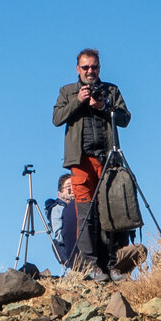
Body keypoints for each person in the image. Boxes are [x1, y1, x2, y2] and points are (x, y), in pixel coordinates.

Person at [53, 49, 132, 272]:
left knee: (108, 212)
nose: (90, 71)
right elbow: (57, 119)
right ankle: (89, 264)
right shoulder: (67, 91)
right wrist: (78, 101)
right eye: (86, 67)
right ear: (77, 69)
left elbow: (125, 119)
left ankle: (110, 264)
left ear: (99, 68)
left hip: (108, 160)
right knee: (85, 212)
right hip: (80, 160)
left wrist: (105, 106)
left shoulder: (111, 90)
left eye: (94, 67)